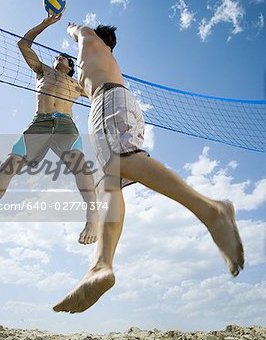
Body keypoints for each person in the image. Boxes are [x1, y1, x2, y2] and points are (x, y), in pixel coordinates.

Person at [52, 22, 245, 313]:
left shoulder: (89, 41)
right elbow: (77, 88)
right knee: (111, 181)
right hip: (109, 103)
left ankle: (211, 210)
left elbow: (79, 29)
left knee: (121, 162)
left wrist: (69, 25)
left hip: (108, 102)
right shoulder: (94, 66)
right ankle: (101, 265)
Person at [0, 15, 98, 254]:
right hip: (38, 124)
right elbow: (23, 45)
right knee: (6, 168)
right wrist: (45, 24)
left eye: (63, 57)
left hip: (64, 125)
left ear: (70, 66)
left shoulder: (77, 85)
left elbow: (98, 93)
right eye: (56, 56)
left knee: (80, 167)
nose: (58, 57)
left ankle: (92, 217)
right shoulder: (42, 71)